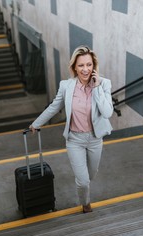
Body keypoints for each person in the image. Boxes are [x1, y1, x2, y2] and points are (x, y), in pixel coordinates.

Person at [29, 45, 113, 213]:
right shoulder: (66, 86)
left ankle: (83, 183)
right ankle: (85, 203)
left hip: (95, 139)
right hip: (75, 139)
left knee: (91, 175)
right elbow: (54, 107)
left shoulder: (103, 84)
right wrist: (36, 123)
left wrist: (96, 88)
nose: (85, 69)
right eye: (81, 65)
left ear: (94, 66)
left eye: (89, 65)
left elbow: (107, 112)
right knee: (83, 181)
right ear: (74, 66)